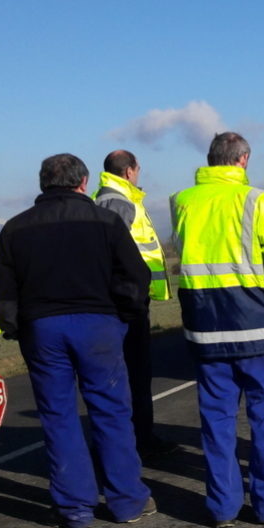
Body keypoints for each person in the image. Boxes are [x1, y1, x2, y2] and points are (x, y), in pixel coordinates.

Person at [0, 154, 155, 528]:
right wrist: (124, 317)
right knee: (112, 412)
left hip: (42, 330)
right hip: (98, 324)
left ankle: (74, 508)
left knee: (58, 416)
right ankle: (127, 501)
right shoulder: (106, 222)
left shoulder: (15, 228)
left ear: (43, 184)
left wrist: (15, 327)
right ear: (82, 183)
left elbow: (2, 291)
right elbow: (136, 276)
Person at [171, 132, 264, 527]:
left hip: (206, 331)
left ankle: (222, 507)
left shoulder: (182, 202)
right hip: (258, 330)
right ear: (243, 160)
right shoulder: (258, 203)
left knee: (216, 421)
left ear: (212, 159)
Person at [93, 149, 176, 457]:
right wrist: (130, 296)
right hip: (127, 304)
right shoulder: (117, 202)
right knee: (134, 374)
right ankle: (139, 440)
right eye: (138, 169)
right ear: (129, 171)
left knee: (132, 374)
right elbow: (113, 255)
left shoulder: (117, 199)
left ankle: (138, 437)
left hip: (128, 300)